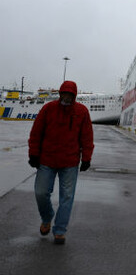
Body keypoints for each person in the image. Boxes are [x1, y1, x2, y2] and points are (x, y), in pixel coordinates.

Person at [27, 80, 94, 245]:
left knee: (67, 197)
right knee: (40, 192)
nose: (66, 97)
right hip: (47, 159)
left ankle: (60, 231)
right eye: (64, 94)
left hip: (70, 162)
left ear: (74, 96)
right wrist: (33, 154)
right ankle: (47, 217)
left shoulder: (82, 112)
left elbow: (87, 137)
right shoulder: (48, 109)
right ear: (60, 94)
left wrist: (86, 158)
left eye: (70, 95)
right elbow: (36, 133)